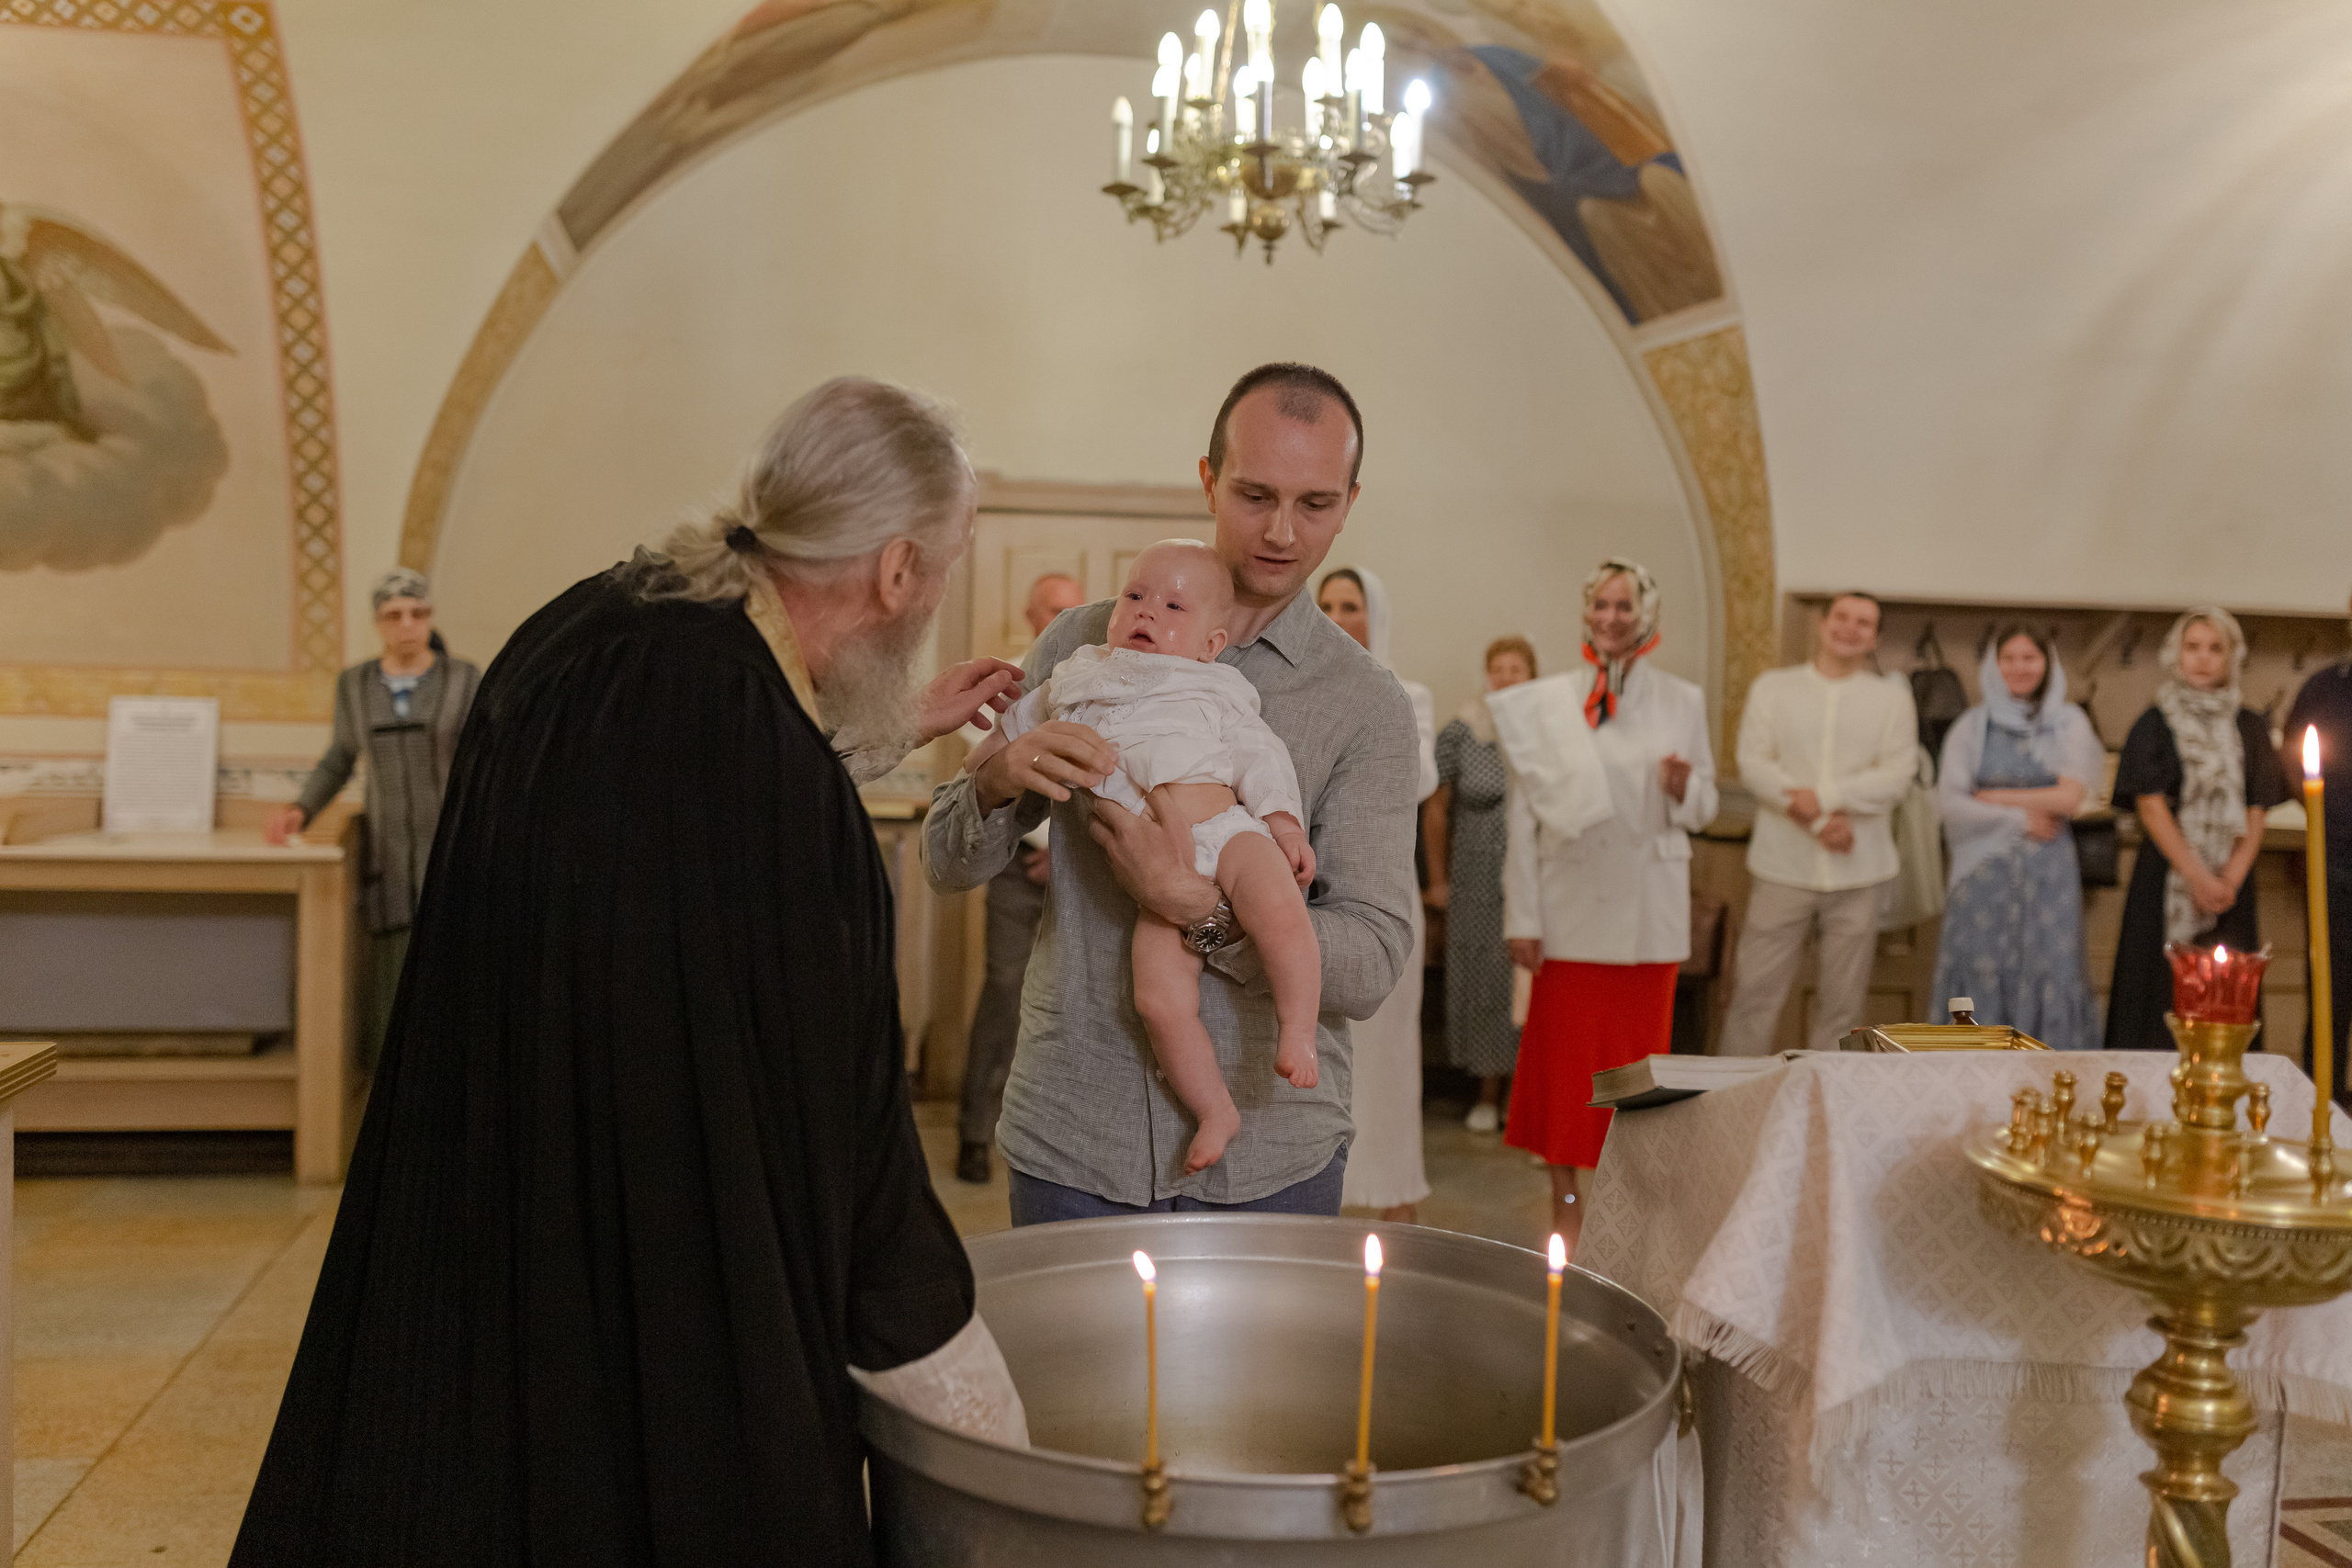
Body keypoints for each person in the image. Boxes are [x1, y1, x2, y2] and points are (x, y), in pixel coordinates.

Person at [230, 378, 1035, 1568]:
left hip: (489, 1220)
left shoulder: (589, 623)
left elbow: (667, 812)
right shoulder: (782, 794)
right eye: (951, 561)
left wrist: (879, 730)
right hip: (668, 1285)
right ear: (899, 571)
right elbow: (848, 1148)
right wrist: (981, 1411)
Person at [922, 361, 1419, 1224]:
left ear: (1349, 501)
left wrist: (1196, 908)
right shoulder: (1085, 643)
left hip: (1271, 1154)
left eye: (1315, 504)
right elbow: (944, 862)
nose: (1280, 531)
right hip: (1077, 1133)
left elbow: (1371, 960)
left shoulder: (1365, 704)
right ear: (1208, 479)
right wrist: (997, 779)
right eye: (1254, 493)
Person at [969, 541, 1321, 1173]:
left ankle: (1299, 1025)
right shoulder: (1080, 672)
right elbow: (1020, 723)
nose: (1147, 612)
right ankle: (1215, 1107)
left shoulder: (1215, 684)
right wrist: (987, 758)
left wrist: (1284, 825)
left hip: (1229, 833)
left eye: (1173, 605)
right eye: (1135, 596)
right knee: (1157, 1000)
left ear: (1211, 643)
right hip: (1149, 873)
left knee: (1280, 914)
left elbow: (1259, 755)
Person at [1492, 558, 1717, 1253]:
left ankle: (1638, 1200)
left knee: (1638, 1070)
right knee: (1565, 1070)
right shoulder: (1549, 699)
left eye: (1625, 606)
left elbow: (1707, 807)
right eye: (1601, 606)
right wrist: (1522, 917)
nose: (1612, 618)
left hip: (1648, 919)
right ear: (1587, 613)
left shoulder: (1682, 698)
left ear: (1647, 614)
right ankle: (1564, 1197)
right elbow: (1523, 818)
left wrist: (1685, 787)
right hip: (1569, 913)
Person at [266, 569, 482, 1066]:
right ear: (378, 624)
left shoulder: (464, 678)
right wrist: (300, 809)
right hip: (389, 861)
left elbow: (487, 758)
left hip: (455, 855)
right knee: (394, 979)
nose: (407, 624)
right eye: (394, 615)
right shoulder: (355, 685)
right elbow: (339, 758)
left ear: (429, 618)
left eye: (418, 613)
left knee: (459, 974)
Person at [1720, 592, 1918, 1055]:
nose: (1849, 628)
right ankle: (1735, 1100)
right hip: (1782, 866)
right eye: (1842, 617)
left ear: (1876, 637)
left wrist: (1825, 801)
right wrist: (1819, 823)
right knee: (1754, 994)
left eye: (1863, 623)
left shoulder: (1891, 698)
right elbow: (1755, 764)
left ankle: (1825, 1107)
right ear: (1822, 623)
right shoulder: (1774, 687)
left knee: (1843, 1007)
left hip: (1860, 870)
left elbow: (1896, 776)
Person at [2104, 609, 2289, 1050]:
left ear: (2231, 657)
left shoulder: (2249, 725)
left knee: (2227, 1000)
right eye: (2193, 647)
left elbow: (2256, 807)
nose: (2203, 658)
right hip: (2169, 879)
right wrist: (2198, 877)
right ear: (2176, 655)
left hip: (2231, 887)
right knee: (2156, 994)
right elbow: (2150, 806)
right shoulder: (2153, 723)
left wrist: (2229, 879)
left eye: (2215, 648)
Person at [956, 570, 1087, 1184]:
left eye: (1076, 608)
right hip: (1013, 866)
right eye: (1056, 609)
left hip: (1085, 869)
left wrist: (1064, 849)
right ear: (1033, 617)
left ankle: (1067, 1136)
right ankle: (975, 1132)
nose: (1067, 619)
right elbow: (985, 766)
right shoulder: (1002, 685)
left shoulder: (1105, 678)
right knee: (1005, 991)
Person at [1317, 566, 1439, 1222]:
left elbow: (1415, 778)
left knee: (1387, 1065)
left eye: (1352, 605)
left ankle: (1394, 1200)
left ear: (1377, 616)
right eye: (1327, 604)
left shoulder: (1406, 694)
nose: (1338, 615)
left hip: (1383, 899)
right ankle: (1319, 1198)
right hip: (1307, 896)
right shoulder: (1294, 687)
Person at [1930, 626, 2105, 1049]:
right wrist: (2021, 820)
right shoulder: (1970, 727)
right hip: (1982, 879)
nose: (2019, 667)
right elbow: (1949, 804)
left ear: (2047, 665)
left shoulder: (2069, 722)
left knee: (2052, 969)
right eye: (2009, 658)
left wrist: (1995, 797)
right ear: (1994, 664)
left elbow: (2070, 795)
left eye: (2030, 658)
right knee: (1977, 973)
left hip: (2049, 881)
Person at [1430, 636, 1537, 1131]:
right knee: (1483, 980)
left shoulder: (1547, 732)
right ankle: (1487, 1092)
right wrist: (1439, 880)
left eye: (1517, 668)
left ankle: (1527, 1095)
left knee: (1530, 983)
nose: (1507, 676)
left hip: (1533, 875)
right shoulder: (1462, 731)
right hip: (1475, 876)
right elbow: (1435, 809)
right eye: (1499, 668)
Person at [2280, 591, 2352, 1101]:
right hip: (2337, 859)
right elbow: (2293, 757)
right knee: (2330, 991)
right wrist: (2316, 813)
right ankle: (2321, 1103)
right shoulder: (2325, 687)